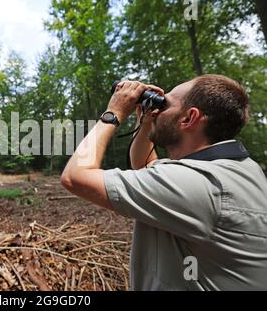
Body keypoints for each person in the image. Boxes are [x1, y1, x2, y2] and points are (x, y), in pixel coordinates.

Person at [61, 74, 267, 290]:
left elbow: (75, 176)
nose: (158, 109)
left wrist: (113, 113)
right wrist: (147, 121)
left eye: (165, 104)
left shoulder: (200, 184)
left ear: (189, 118)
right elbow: (144, 164)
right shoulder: (235, 168)